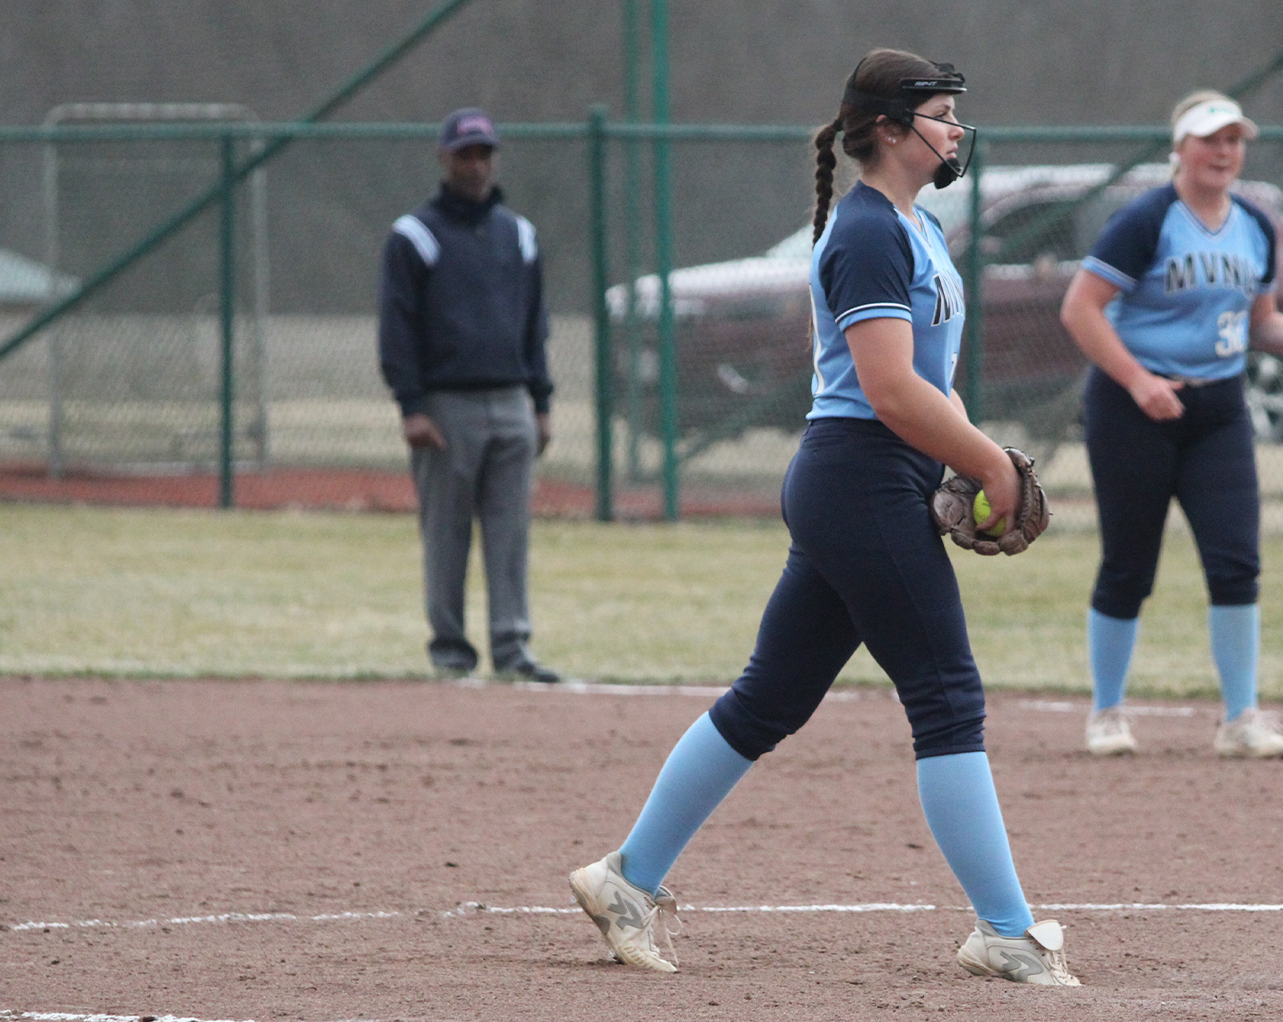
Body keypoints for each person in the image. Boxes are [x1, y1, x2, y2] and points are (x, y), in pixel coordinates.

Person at [565, 49, 1079, 986]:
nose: (955, 128)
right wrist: (987, 464)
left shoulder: (917, 227)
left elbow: (931, 382)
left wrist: (973, 450)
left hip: (872, 478)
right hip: (860, 477)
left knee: (769, 697)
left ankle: (626, 878)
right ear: (888, 127)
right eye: (939, 113)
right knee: (947, 696)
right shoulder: (868, 232)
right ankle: (1006, 931)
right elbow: (888, 388)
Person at [1059, 91, 1283, 759]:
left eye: (1233, 140)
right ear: (1180, 148)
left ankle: (1241, 719)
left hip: (1219, 410)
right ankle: (1106, 713)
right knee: (1129, 564)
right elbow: (1081, 308)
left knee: (1236, 562)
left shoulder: (1254, 225)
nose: (1223, 152)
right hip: (1132, 408)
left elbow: (1261, 322)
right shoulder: (1147, 219)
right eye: (1210, 139)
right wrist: (1138, 381)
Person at [377, 107, 559, 684]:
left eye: (484, 154)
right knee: (446, 534)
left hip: (511, 401)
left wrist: (541, 403)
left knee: (510, 535)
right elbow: (397, 328)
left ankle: (512, 647)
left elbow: (535, 327)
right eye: (464, 155)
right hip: (446, 406)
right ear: (444, 158)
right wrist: (411, 406)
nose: (475, 165)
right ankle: (451, 651)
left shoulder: (519, 234)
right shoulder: (415, 236)